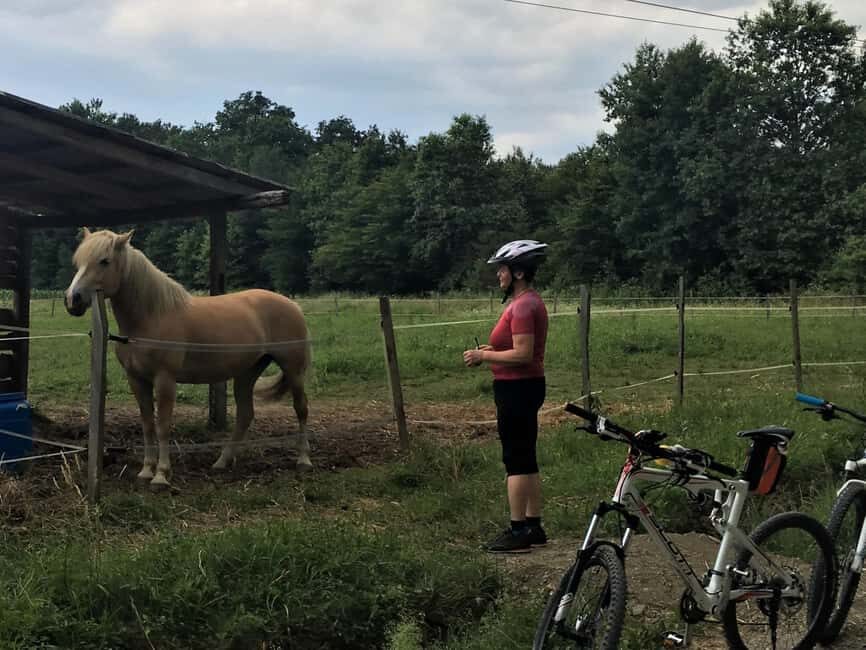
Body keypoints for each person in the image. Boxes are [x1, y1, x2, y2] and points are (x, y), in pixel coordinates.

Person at [463, 240, 549, 553]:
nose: (498, 274)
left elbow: (525, 354)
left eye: (503, 268)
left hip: (517, 388)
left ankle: (518, 530)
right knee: (527, 456)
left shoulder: (524, 305)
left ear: (519, 272)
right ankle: (534, 524)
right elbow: (519, 349)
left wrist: (483, 357)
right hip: (523, 386)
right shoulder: (524, 302)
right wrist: (494, 351)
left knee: (515, 459)